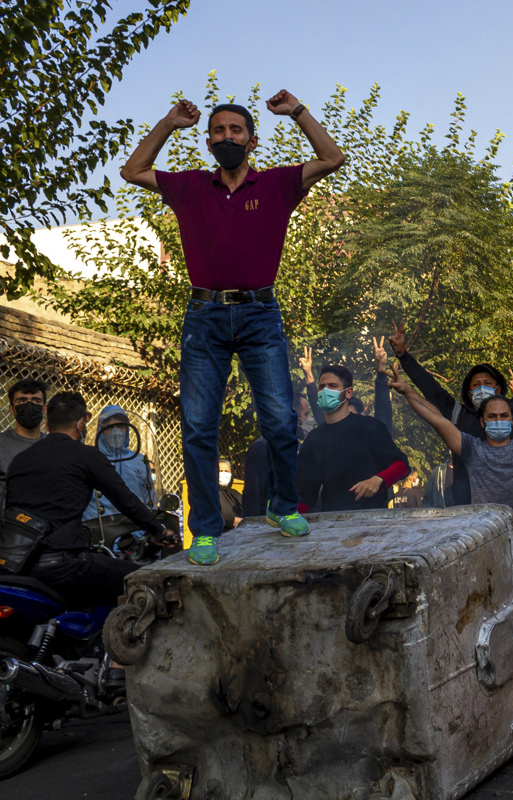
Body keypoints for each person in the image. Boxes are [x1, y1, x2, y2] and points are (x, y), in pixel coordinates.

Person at [120, 91, 346, 565]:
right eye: (219, 131)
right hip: (204, 318)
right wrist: (167, 123)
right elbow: (133, 171)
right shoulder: (189, 187)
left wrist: (298, 112)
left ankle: (282, 506)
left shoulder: (279, 185)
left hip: (261, 315)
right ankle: (205, 529)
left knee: (281, 421)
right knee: (199, 427)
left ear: (252, 141)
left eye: (235, 131)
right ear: (208, 141)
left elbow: (332, 157)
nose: (227, 137)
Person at [390, 362, 513, 701]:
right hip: (488, 541)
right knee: (488, 610)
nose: (498, 421)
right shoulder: (471, 448)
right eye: (492, 417)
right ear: (482, 421)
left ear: (512, 421)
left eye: (504, 416)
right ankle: (491, 673)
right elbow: (437, 418)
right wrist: (408, 391)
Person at [7, 392, 173, 608]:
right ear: (80, 424)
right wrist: (159, 530)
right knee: (149, 580)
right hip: (65, 563)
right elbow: (126, 501)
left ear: (47, 425)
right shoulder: (86, 456)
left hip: (19, 564)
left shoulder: (20, 460)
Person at [387, 309, 513, 506]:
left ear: (498, 389)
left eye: (487, 383)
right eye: (476, 384)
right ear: (469, 394)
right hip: (470, 509)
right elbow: (430, 388)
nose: (482, 387)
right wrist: (403, 356)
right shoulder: (457, 414)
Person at [296, 365, 409, 513]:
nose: (325, 391)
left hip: (373, 521)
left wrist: (378, 480)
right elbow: (304, 496)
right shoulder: (313, 439)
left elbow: (402, 465)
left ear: (348, 392)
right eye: (322, 387)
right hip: (331, 522)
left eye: (333, 386)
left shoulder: (371, 428)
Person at [83, 405, 156, 521]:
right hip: (101, 530)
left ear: (127, 429)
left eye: (121, 427)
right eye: (110, 427)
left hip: (136, 529)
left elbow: (150, 500)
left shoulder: (139, 461)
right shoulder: (90, 460)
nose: (116, 432)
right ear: (100, 430)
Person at [0, 378, 48, 510]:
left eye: (36, 401)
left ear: (44, 409)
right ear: (11, 409)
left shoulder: (54, 445)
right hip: (11, 526)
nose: (29, 405)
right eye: (21, 401)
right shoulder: (2, 444)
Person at [218, 457, 244, 531]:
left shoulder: (235, 493)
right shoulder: (211, 494)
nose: (223, 473)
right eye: (220, 471)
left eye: (226, 471)